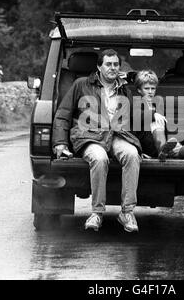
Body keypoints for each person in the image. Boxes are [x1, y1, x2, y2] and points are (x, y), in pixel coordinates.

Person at [52, 49, 142, 233]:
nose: (113, 68)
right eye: (108, 64)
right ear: (99, 67)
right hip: (88, 136)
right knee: (99, 158)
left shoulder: (124, 88)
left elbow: (134, 120)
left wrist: (148, 139)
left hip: (117, 135)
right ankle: (97, 213)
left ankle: (127, 212)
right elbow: (62, 115)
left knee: (132, 154)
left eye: (116, 64)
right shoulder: (81, 84)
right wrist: (60, 142)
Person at [134, 70, 184, 161]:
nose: (150, 92)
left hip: (162, 144)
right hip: (146, 147)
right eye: (147, 88)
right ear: (139, 90)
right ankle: (162, 150)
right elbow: (137, 115)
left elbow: (163, 127)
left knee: (178, 148)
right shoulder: (135, 103)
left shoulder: (157, 103)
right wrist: (153, 115)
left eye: (153, 88)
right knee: (156, 123)